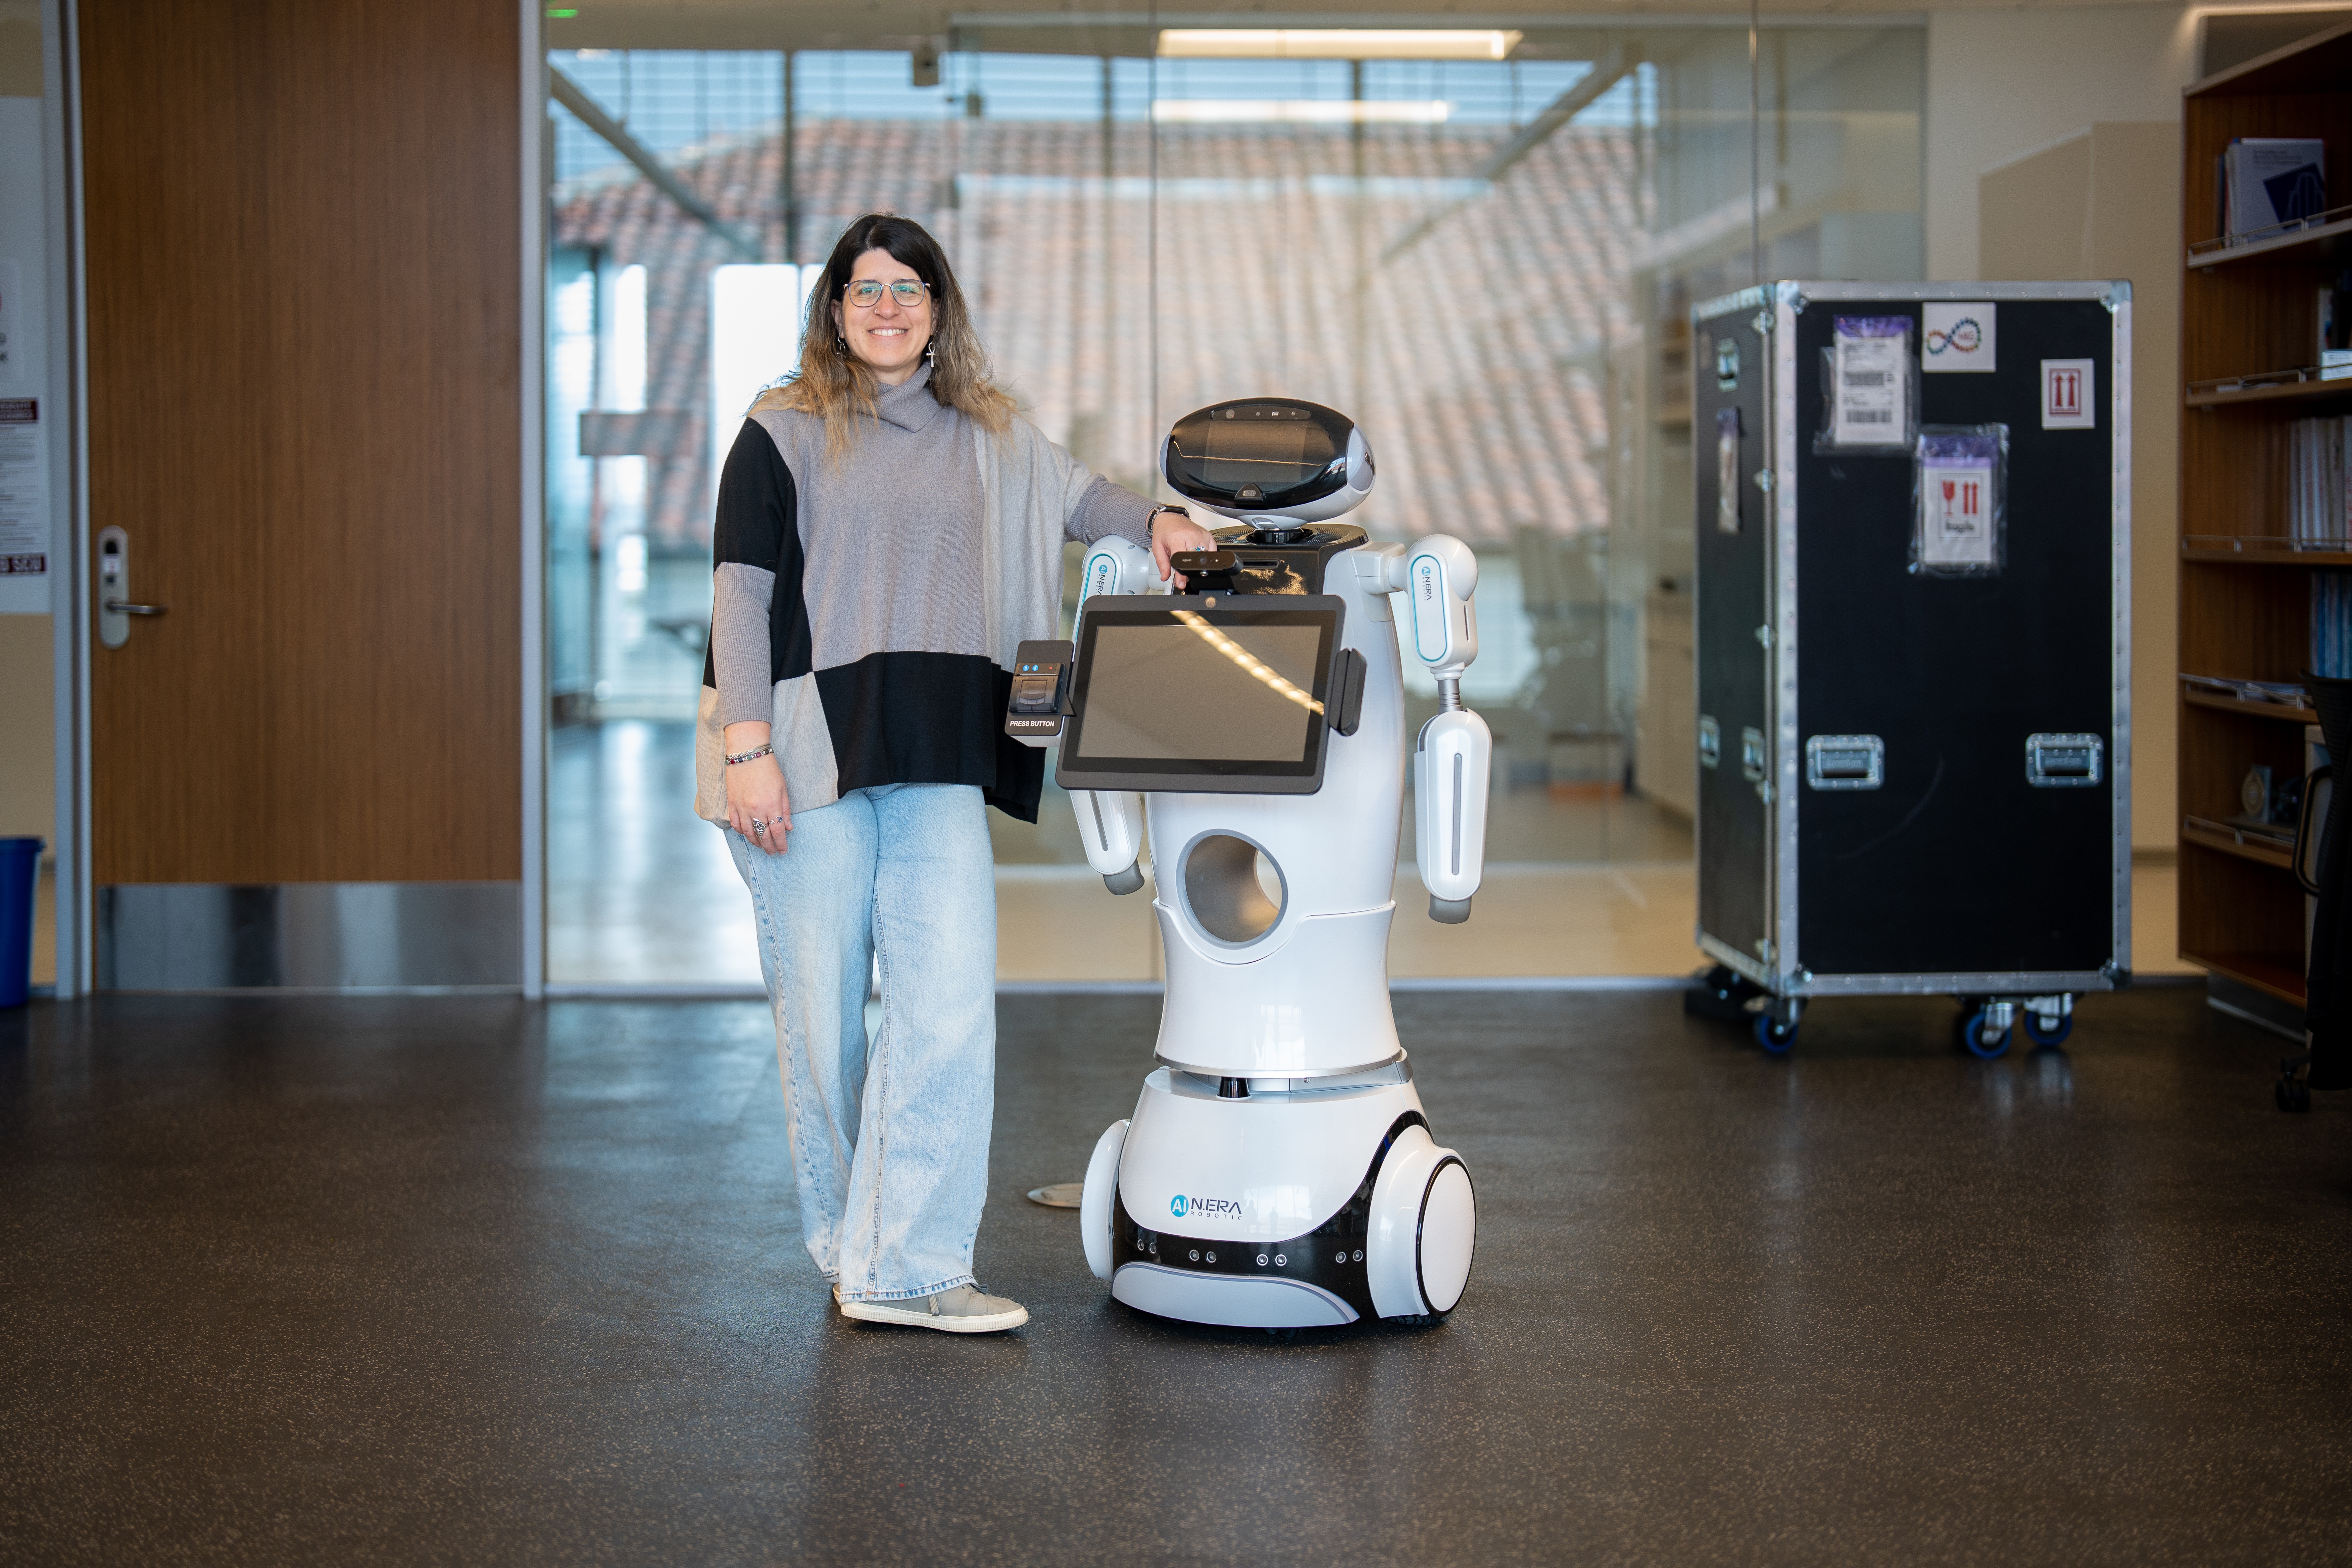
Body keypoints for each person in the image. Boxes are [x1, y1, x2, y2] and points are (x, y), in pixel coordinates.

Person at [695, 213, 1214, 1333]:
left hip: (937, 757)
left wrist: (1162, 521)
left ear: (939, 309)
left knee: (946, 1013)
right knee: (825, 1028)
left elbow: (1085, 499)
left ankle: (915, 1268)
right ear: (835, 309)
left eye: (909, 289)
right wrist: (747, 755)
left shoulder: (989, 431)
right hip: (806, 754)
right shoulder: (780, 429)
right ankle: (856, 1249)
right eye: (866, 289)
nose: (887, 308)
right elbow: (740, 595)